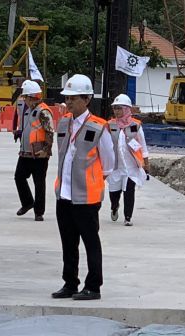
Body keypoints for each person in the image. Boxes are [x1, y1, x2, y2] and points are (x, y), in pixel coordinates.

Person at [51, 74, 114, 302]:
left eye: (73, 98)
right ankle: (70, 282)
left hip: (86, 197)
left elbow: (108, 162)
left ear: (86, 99)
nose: (68, 103)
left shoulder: (99, 127)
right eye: (67, 98)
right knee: (68, 243)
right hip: (64, 194)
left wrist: (93, 182)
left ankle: (93, 285)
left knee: (90, 242)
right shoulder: (64, 122)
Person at [14, 79, 54, 220]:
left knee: (39, 182)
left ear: (32, 97)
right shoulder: (28, 111)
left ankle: (39, 212)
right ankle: (27, 202)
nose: (24, 100)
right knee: (19, 177)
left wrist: (46, 150)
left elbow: (49, 132)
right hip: (25, 152)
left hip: (39, 154)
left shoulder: (43, 111)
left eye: (25, 97)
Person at [108, 93, 150, 226]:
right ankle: (114, 207)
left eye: (119, 108)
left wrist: (146, 163)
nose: (116, 111)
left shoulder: (135, 125)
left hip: (131, 166)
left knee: (129, 191)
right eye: (115, 108)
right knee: (114, 193)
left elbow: (142, 145)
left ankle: (128, 217)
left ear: (127, 109)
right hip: (116, 166)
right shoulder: (110, 125)